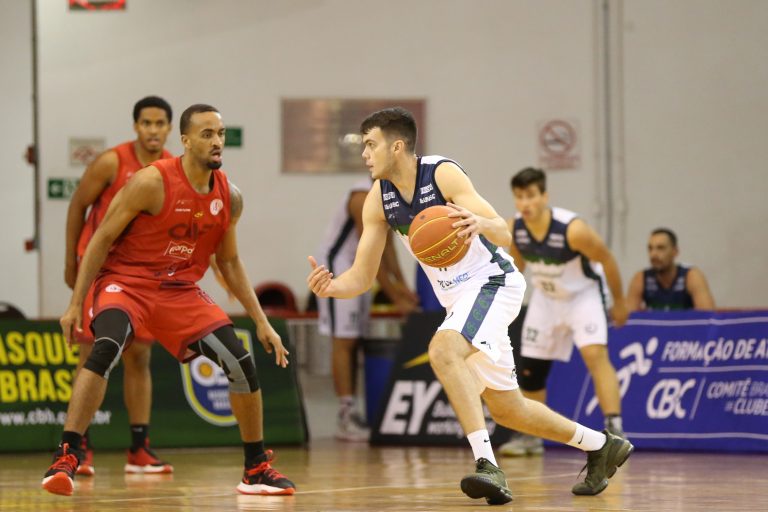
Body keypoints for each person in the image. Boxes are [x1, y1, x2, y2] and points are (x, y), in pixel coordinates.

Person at [306, 107, 633, 505]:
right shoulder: (378, 199)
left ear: (397, 146)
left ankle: (487, 465)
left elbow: (504, 233)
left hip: (493, 283)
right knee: (509, 409)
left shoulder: (442, 174)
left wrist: (480, 224)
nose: (364, 154)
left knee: (443, 350)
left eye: (371, 144)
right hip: (458, 300)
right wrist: (332, 287)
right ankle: (601, 446)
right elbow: (361, 276)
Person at [43, 104, 295, 497]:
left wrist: (261, 321)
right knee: (106, 347)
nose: (216, 141)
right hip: (126, 282)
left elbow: (229, 260)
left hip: (178, 290)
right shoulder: (150, 181)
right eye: (207, 134)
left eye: (221, 133)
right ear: (186, 141)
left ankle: (256, 469)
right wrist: (76, 302)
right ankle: (68, 455)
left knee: (239, 361)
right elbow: (102, 237)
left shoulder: (229, 195)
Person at [64, 95, 174, 476]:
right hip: (99, 270)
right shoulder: (112, 162)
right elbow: (77, 206)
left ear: (170, 129)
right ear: (135, 127)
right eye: (146, 123)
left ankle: (139, 449)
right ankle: (79, 446)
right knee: (92, 355)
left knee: (139, 356)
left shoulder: (171, 169)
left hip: (140, 276)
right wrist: (71, 262)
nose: (153, 130)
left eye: (160, 123)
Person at [499, 167, 627, 458]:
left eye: (530, 196)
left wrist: (619, 301)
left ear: (545, 196)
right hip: (545, 298)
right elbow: (517, 268)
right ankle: (531, 437)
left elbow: (606, 259)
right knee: (530, 370)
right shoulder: (515, 228)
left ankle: (615, 429)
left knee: (595, 355)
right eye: (519, 197)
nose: (524, 203)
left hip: (582, 296)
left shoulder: (573, 229)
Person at [316, 177, 418, 441]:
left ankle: (352, 412)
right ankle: (345, 415)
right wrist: (395, 297)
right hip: (338, 268)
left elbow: (388, 246)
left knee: (356, 339)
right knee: (344, 340)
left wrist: (403, 287)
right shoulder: (361, 196)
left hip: (358, 269)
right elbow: (371, 254)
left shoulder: (389, 196)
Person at [626, 228, 715, 311]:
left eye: (660, 248)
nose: (653, 254)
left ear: (675, 251)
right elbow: (627, 317)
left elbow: (707, 316)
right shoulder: (641, 278)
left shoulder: (691, 276)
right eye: (650, 248)